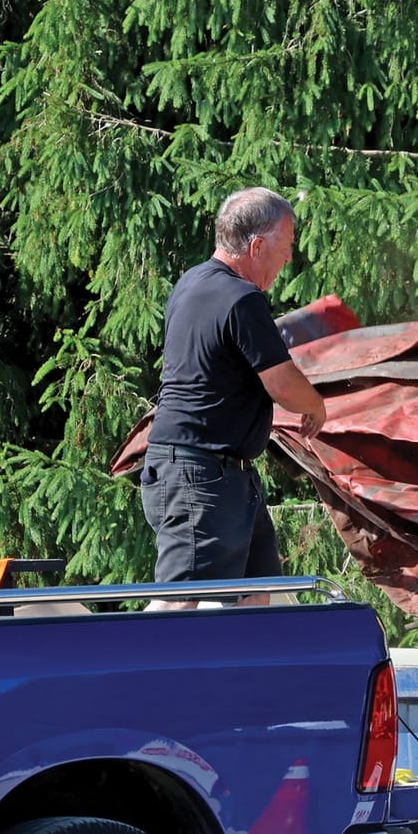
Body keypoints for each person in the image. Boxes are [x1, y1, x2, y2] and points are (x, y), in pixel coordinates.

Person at [140, 187, 328, 585]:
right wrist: (317, 406)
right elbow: (282, 383)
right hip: (201, 476)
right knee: (180, 603)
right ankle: (147, 650)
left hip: (219, 475)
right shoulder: (242, 298)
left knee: (260, 592)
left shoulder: (192, 284)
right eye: (287, 245)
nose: (289, 258)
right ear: (258, 245)